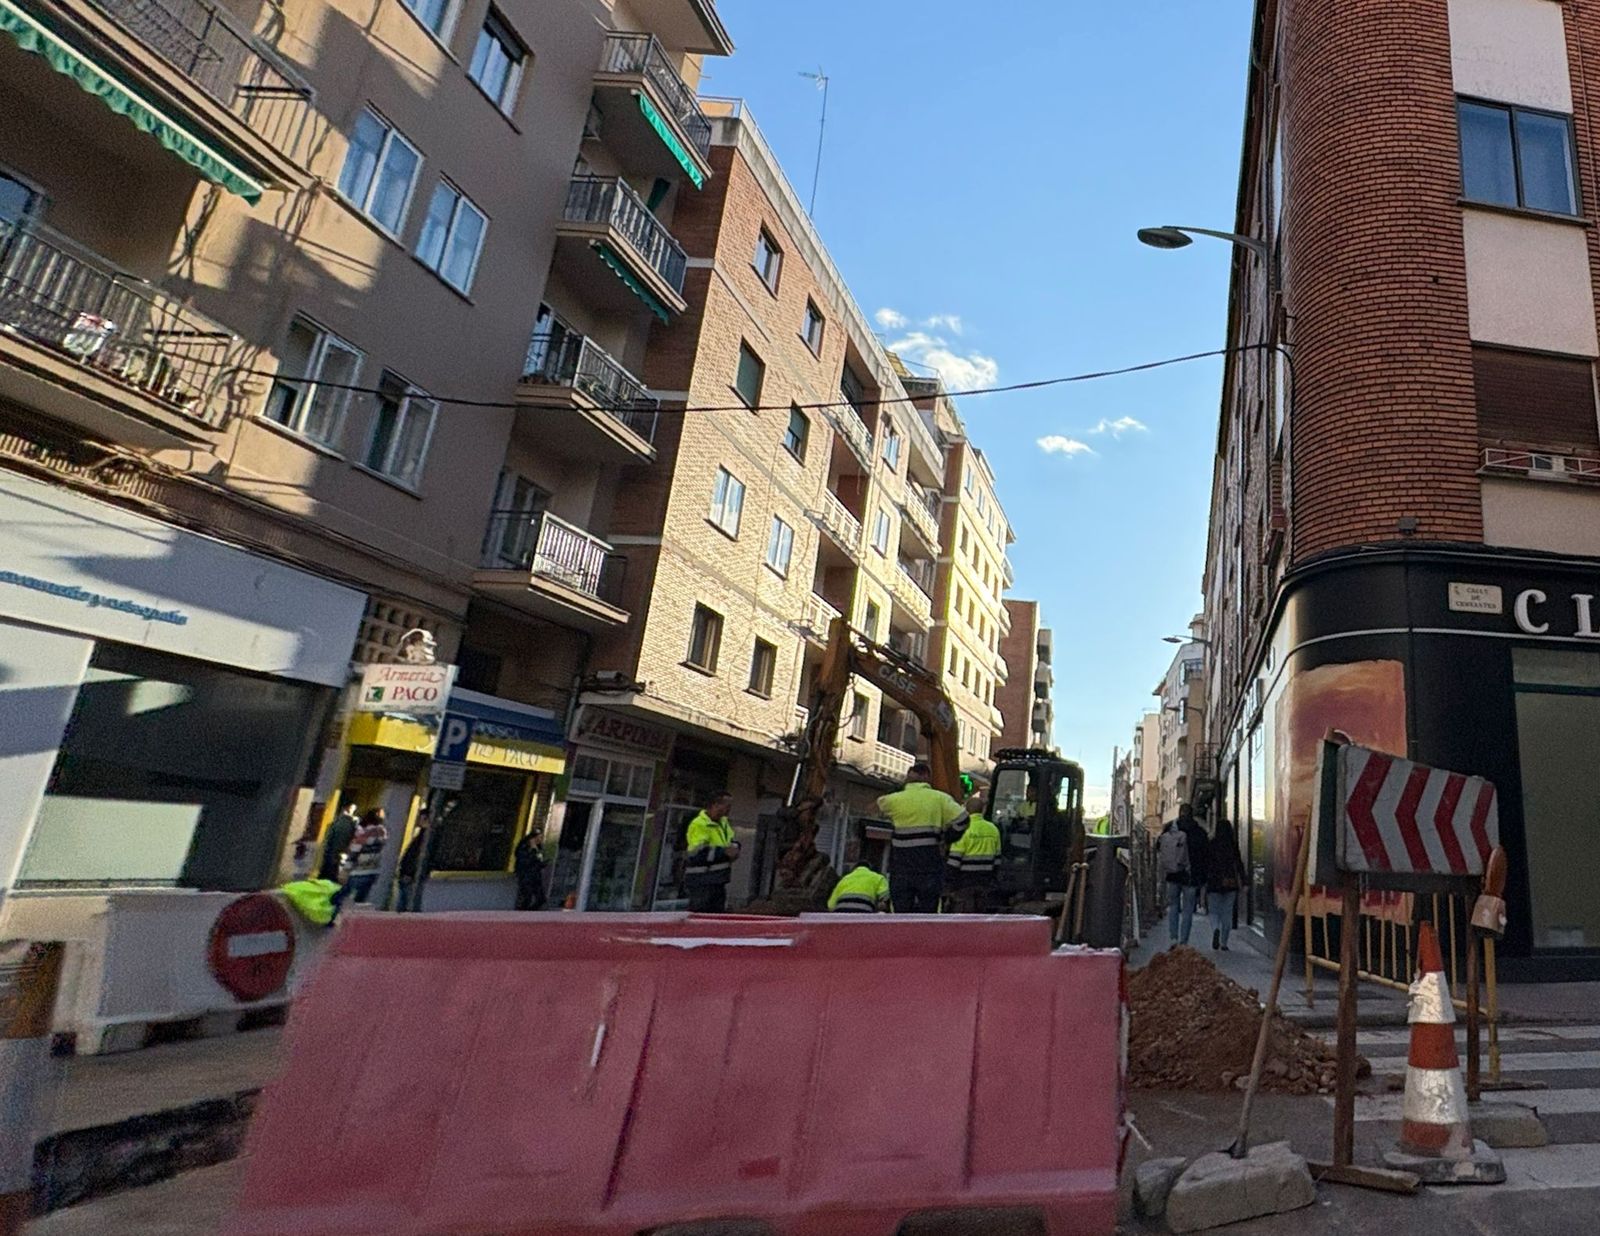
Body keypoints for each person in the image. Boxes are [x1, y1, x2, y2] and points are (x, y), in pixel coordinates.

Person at [876, 760, 968, 914]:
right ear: (927, 777)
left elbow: (877, 806)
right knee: (928, 911)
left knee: (901, 914)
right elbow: (963, 819)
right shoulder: (940, 799)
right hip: (929, 864)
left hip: (901, 865)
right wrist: (947, 838)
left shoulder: (892, 800)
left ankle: (903, 938)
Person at [945, 793, 1002, 913]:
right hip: (986, 880)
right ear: (983, 810)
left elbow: (954, 860)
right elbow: (997, 859)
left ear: (966, 810)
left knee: (965, 915)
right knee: (982, 915)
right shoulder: (993, 829)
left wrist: (949, 883)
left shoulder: (964, 829)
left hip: (965, 882)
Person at [683, 793, 739, 913]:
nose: (729, 809)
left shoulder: (723, 823)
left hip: (718, 880)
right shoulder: (699, 824)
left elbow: (730, 841)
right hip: (701, 880)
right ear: (715, 805)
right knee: (700, 917)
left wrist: (735, 848)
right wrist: (725, 853)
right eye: (727, 805)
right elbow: (697, 853)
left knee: (716, 916)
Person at [1208, 817, 1247, 951]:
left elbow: (1206, 864)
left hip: (1213, 883)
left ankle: (1215, 928)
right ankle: (1224, 943)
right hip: (1230, 883)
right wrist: (1244, 881)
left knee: (1213, 911)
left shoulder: (1212, 844)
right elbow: (1239, 864)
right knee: (1227, 913)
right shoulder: (1233, 845)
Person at [828, 842, 890, 913]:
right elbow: (886, 897)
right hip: (863, 912)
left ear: (854, 868)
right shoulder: (877, 877)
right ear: (870, 868)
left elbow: (831, 905)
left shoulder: (844, 879)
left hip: (841, 913)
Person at [344, 808, 387, 904]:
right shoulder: (382, 832)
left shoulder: (364, 833)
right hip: (372, 871)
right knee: (360, 901)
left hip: (358, 871)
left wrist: (346, 869)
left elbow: (354, 852)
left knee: (344, 900)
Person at [317, 802, 360, 882]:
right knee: (334, 870)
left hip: (333, 849)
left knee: (328, 869)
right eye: (352, 809)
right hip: (340, 849)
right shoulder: (349, 823)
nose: (353, 811)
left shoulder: (338, 820)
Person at [395, 810, 429, 912]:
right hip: (407, 874)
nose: (419, 820)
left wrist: (408, 873)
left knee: (405, 905)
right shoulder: (422, 836)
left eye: (422, 818)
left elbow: (414, 856)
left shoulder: (424, 838)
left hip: (409, 875)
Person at [513, 830, 548, 911]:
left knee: (541, 898)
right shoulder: (524, 848)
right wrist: (532, 850)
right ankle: (522, 911)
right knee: (527, 896)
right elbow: (525, 861)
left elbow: (538, 860)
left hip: (535, 875)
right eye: (538, 838)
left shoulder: (538, 849)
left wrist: (542, 863)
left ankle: (530, 911)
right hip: (526, 875)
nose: (540, 840)